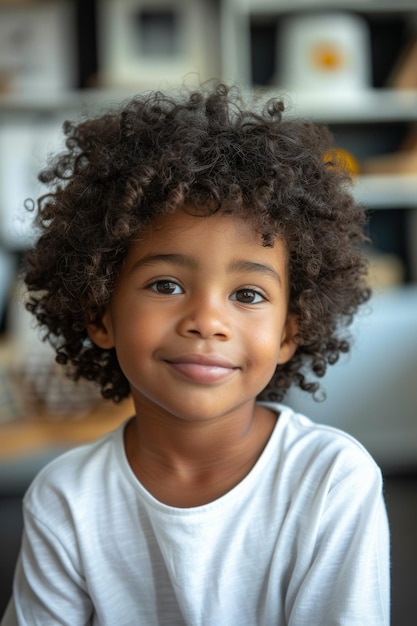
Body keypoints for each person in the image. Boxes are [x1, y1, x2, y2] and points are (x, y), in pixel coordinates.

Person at [2, 83, 390, 625]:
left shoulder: (332, 480)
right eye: (165, 285)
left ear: (287, 334)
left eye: (247, 295)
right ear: (100, 313)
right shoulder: (65, 499)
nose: (207, 320)